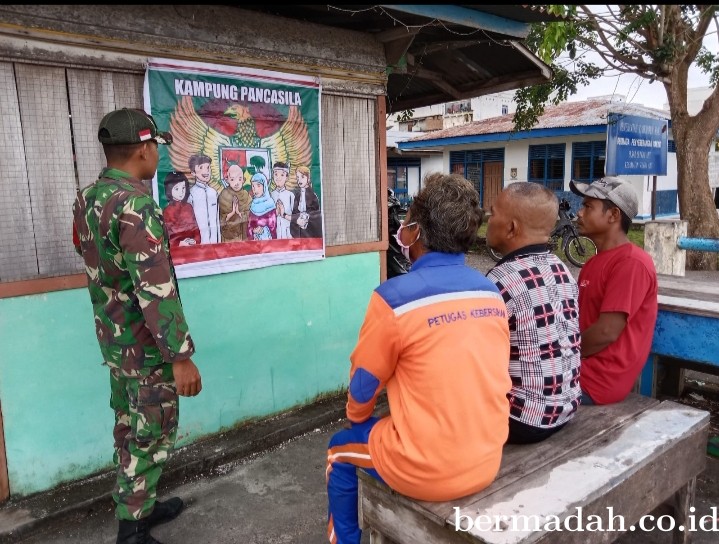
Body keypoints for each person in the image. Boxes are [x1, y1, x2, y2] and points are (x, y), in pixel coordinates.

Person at [325, 172, 511, 544]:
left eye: (407, 222)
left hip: (426, 470)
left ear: (417, 233)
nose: (403, 231)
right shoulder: (491, 293)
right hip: (488, 459)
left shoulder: (393, 298)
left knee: (338, 452)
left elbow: (363, 384)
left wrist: (357, 419)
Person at [72, 108, 202, 544]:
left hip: (114, 343)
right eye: (156, 149)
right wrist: (180, 357)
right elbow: (156, 290)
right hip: (147, 351)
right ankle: (132, 530)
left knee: (129, 427)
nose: (157, 158)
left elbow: (93, 260)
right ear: (144, 149)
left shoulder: (88, 198)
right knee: (151, 434)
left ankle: (140, 504)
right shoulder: (136, 205)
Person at [485, 182, 581, 444]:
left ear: (511, 228)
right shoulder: (562, 270)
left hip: (522, 419)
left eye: (493, 214)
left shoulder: (500, 280)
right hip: (566, 408)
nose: (488, 219)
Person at [570, 176, 658, 405]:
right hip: (580, 370)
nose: (580, 213)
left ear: (613, 215)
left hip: (597, 380)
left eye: (588, 207)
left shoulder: (631, 263)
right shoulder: (593, 263)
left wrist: (562, 357)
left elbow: (606, 332)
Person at [163, 171, 201, 248]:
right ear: (169, 190)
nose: (181, 192)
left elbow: (195, 228)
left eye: (183, 187)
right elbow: (167, 235)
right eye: (176, 189)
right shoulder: (167, 211)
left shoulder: (188, 207)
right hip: (176, 252)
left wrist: (195, 240)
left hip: (192, 249)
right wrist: (180, 243)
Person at [188, 153, 220, 244]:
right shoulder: (191, 194)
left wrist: (219, 242)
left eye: (208, 167)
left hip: (214, 244)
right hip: (199, 244)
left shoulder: (214, 193)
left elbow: (217, 220)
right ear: (193, 173)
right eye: (201, 168)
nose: (206, 171)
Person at [218, 164, 251, 242]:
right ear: (227, 180)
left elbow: (250, 216)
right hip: (228, 237)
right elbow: (221, 219)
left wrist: (239, 213)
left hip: (243, 236)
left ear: (243, 180)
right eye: (232, 179)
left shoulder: (246, 196)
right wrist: (232, 212)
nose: (236, 183)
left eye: (239, 179)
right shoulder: (224, 195)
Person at [290, 165, 322, 238]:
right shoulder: (297, 195)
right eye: (298, 178)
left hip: (310, 233)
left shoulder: (313, 196)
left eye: (302, 177)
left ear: (308, 178)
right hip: (298, 233)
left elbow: (316, 216)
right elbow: (294, 214)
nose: (299, 180)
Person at [247, 171, 277, 240]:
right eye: (253, 186)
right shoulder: (253, 205)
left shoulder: (270, 204)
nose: (255, 189)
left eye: (258, 185)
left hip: (268, 244)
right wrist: (253, 231)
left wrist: (263, 231)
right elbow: (249, 226)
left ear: (264, 186)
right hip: (255, 243)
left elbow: (273, 227)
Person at [270, 161, 295, 239]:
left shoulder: (291, 195)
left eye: (282, 175)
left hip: (288, 235)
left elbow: (295, 217)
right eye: (276, 174)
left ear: (286, 177)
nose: (278, 177)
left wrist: (284, 214)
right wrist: (275, 213)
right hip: (273, 235)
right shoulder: (270, 195)